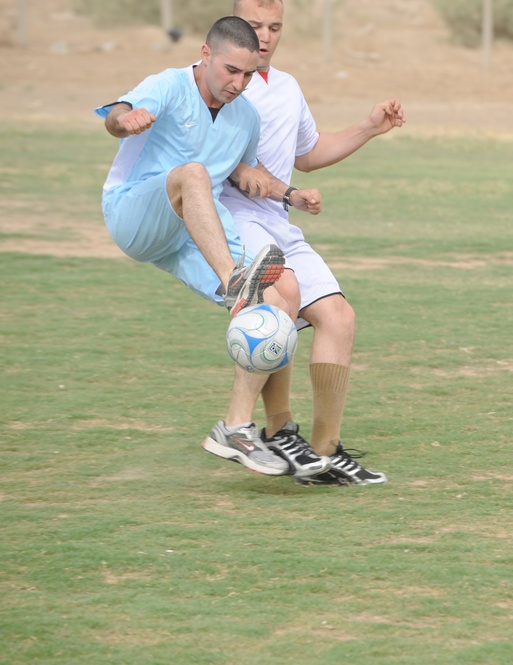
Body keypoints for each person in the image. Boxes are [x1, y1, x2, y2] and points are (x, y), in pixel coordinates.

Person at [96, 16, 325, 475]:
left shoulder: (246, 116)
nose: (237, 83)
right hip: (137, 212)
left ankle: (235, 427)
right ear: (205, 54)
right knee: (195, 173)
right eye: (229, 70)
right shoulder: (169, 85)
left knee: (284, 294)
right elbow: (118, 116)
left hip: (196, 230)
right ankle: (234, 284)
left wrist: (289, 195)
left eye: (247, 74)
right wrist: (127, 120)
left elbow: (244, 172)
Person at [221, 0, 406, 485]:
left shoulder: (286, 86)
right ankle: (279, 430)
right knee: (281, 301)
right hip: (235, 218)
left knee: (339, 317)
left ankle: (322, 454)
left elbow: (306, 154)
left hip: (280, 216)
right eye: (255, 25)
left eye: (274, 27)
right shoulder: (216, 82)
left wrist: (368, 128)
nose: (264, 36)